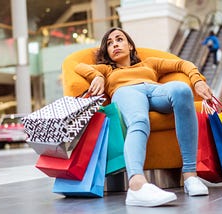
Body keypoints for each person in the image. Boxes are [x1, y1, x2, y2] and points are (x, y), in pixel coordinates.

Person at [74, 27, 213, 207]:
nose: (115, 44)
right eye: (110, 43)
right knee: (139, 120)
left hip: (154, 90)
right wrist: (97, 76)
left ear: (130, 46)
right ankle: (137, 185)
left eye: (119, 39)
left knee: (182, 90)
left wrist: (197, 80)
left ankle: (190, 176)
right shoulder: (107, 69)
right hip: (126, 92)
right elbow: (78, 66)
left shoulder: (149, 63)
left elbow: (182, 64)